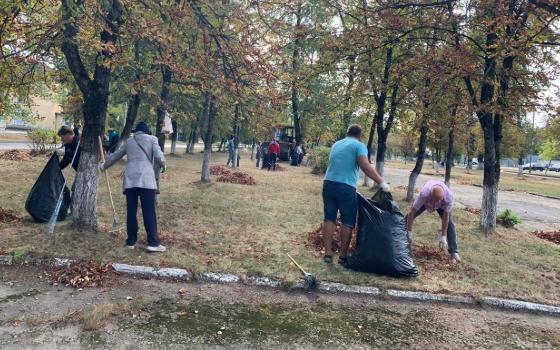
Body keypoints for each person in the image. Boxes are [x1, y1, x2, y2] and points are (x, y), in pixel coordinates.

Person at [322, 124, 390, 265]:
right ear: (359, 135)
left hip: (328, 184)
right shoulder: (359, 146)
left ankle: (328, 253)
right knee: (348, 221)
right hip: (345, 187)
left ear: (347, 133)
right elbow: (365, 166)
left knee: (329, 218)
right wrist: (381, 182)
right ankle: (343, 256)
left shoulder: (336, 144)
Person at [100, 122, 167, 253]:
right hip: (146, 180)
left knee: (131, 211)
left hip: (130, 180)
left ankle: (130, 241)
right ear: (147, 131)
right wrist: (164, 164)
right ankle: (153, 243)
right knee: (149, 211)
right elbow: (158, 155)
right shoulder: (152, 139)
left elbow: (115, 155)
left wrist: (103, 166)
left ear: (136, 131)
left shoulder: (129, 141)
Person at [406, 180, 461, 262]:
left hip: (443, 205)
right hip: (427, 202)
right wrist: (409, 231)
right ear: (431, 195)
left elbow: (446, 216)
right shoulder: (424, 194)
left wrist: (443, 236)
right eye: (436, 200)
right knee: (407, 218)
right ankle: (398, 237)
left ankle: (453, 251)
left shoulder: (449, 198)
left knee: (450, 224)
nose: (438, 202)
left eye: (440, 200)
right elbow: (412, 212)